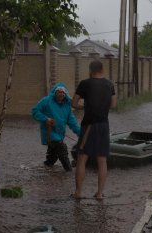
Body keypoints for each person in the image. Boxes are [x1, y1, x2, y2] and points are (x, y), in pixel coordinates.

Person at [71, 60, 117, 200]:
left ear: (90, 70)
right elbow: (114, 105)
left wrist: (83, 107)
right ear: (102, 70)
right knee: (102, 160)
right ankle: (100, 193)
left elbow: (73, 103)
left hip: (89, 125)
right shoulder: (110, 84)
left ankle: (78, 193)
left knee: (82, 159)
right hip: (104, 125)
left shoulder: (85, 83)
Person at [32, 83, 80, 171]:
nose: (61, 94)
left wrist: (80, 133)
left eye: (63, 92)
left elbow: (72, 122)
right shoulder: (46, 101)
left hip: (60, 134)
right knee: (62, 149)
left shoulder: (67, 105)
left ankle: (45, 167)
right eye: (59, 92)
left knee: (53, 157)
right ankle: (69, 171)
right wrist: (45, 119)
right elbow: (35, 111)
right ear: (54, 92)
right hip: (49, 132)